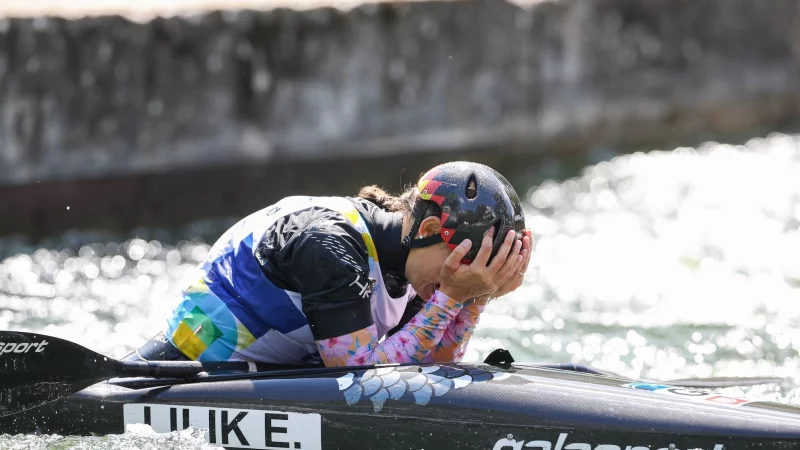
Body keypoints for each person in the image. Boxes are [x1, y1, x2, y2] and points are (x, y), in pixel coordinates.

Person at [129, 161, 532, 367]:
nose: (463, 276)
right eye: (467, 262)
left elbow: (431, 363)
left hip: (272, 375)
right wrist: (452, 298)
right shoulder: (331, 248)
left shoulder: (413, 267)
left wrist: (476, 297)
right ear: (428, 228)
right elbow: (359, 380)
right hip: (185, 372)